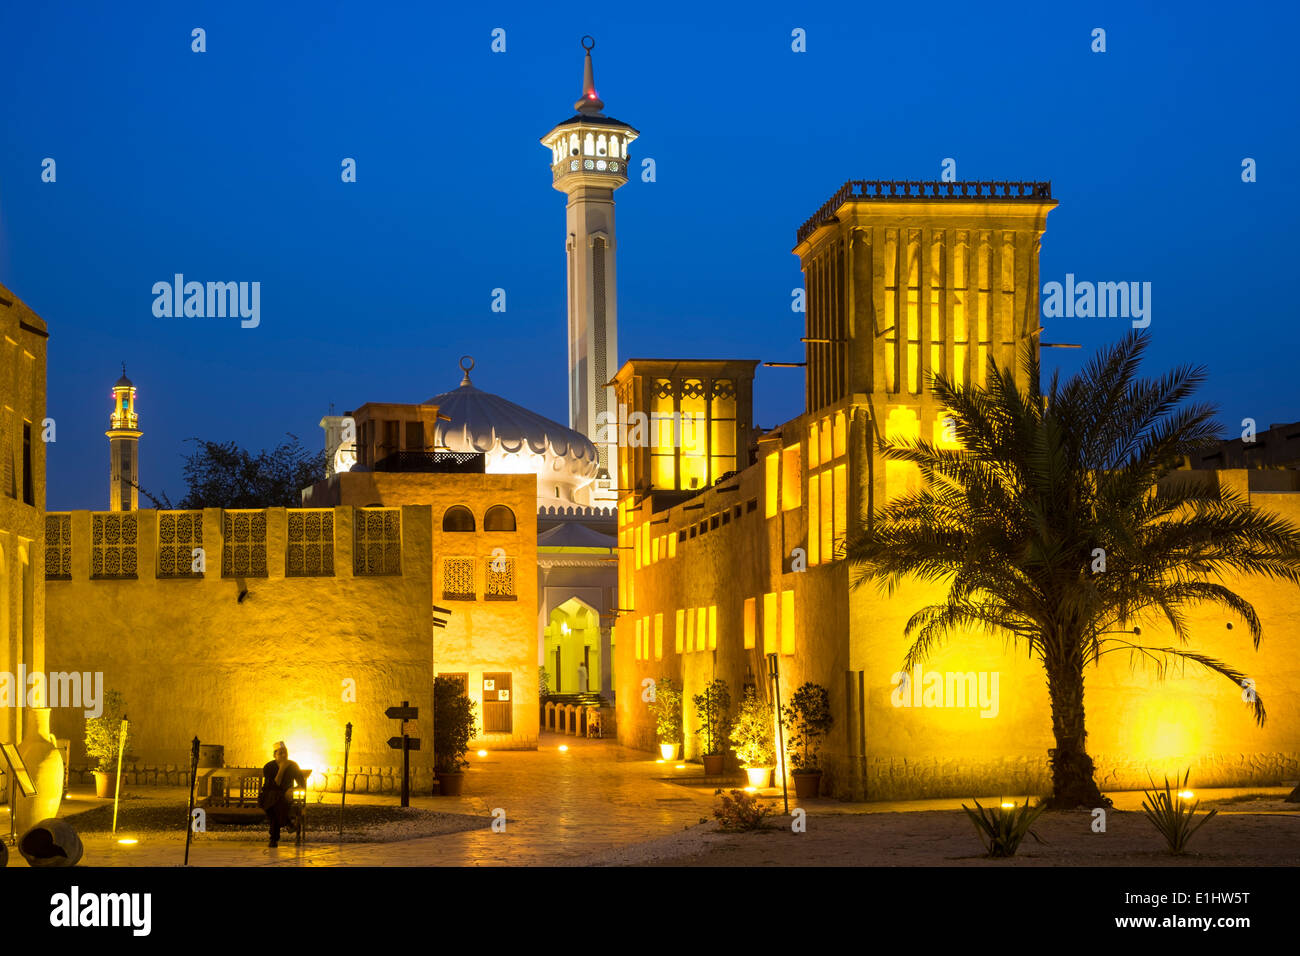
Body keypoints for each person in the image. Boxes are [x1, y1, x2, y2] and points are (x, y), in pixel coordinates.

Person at [261, 741, 306, 847]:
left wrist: (293, 790)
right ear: (274, 755)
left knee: (275, 805)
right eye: (280, 753)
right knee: (275, 798)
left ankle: (274, 839)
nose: (284, 755)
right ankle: (287, 823)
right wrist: (282, 768)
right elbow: (272, 786)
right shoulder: (269, 767)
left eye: (285, 752)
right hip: (268, 795)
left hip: (284, 797)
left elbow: (301, 783)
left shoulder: (293, 765)